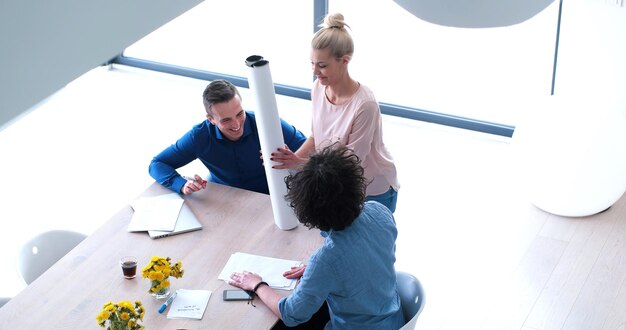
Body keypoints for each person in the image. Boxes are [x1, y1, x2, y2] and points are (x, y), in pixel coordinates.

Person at [229, 144, 405, 329]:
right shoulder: (381, 212)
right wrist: (325, 273)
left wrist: (257, 285)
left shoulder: (326, 261)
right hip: (393, 320)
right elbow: (369, 258)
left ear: (308, 213)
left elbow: (291, 314)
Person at [270, 13, 400, 213]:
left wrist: (300, 164)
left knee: (371, 244)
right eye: (312, 63)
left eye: (322, 65)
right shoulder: (318, 88)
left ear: (345, 60)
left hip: (372, 189)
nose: (315, 71)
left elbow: (349, 163)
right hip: (336, 182)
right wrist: (290, 161)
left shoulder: (365, 105)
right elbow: (316, 137)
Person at [149, 79, 306, 195]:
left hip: (272, 196)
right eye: (226, 120)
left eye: (239, 114)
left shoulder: (267, 123)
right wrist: (181, 184)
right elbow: (157, 164)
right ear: (210, 119)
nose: (237, 124)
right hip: (225, 198)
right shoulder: (199, 136)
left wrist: (293, 160)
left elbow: (314, 154)